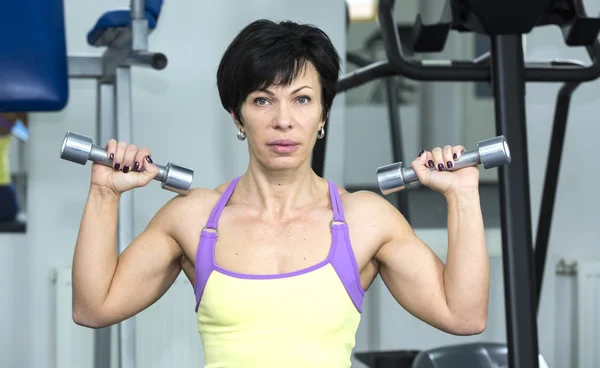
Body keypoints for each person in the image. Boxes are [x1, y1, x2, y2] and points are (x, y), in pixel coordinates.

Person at [71, 19, 489, 368]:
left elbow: (464, 315)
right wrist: (104, 194)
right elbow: (94, 307)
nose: (284, 120)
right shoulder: (194, 217)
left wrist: (463, 196)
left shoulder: (366, 220)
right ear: (237, 116)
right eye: (262, 101)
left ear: (323, 113)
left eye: (302, 99)